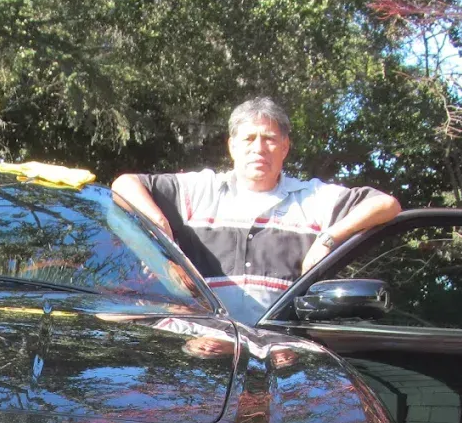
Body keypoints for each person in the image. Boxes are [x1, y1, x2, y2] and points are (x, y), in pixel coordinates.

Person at [111, 97, 401, 321]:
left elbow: (386, 204)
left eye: (269, 139)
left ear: (285, 147)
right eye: (249, 138)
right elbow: (124, 185)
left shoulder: (314, 199)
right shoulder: (199, 189)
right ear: (232, 146)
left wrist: (327, 240)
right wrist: (160, 236)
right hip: (201, 349)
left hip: (283, 352)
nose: (259, 148)